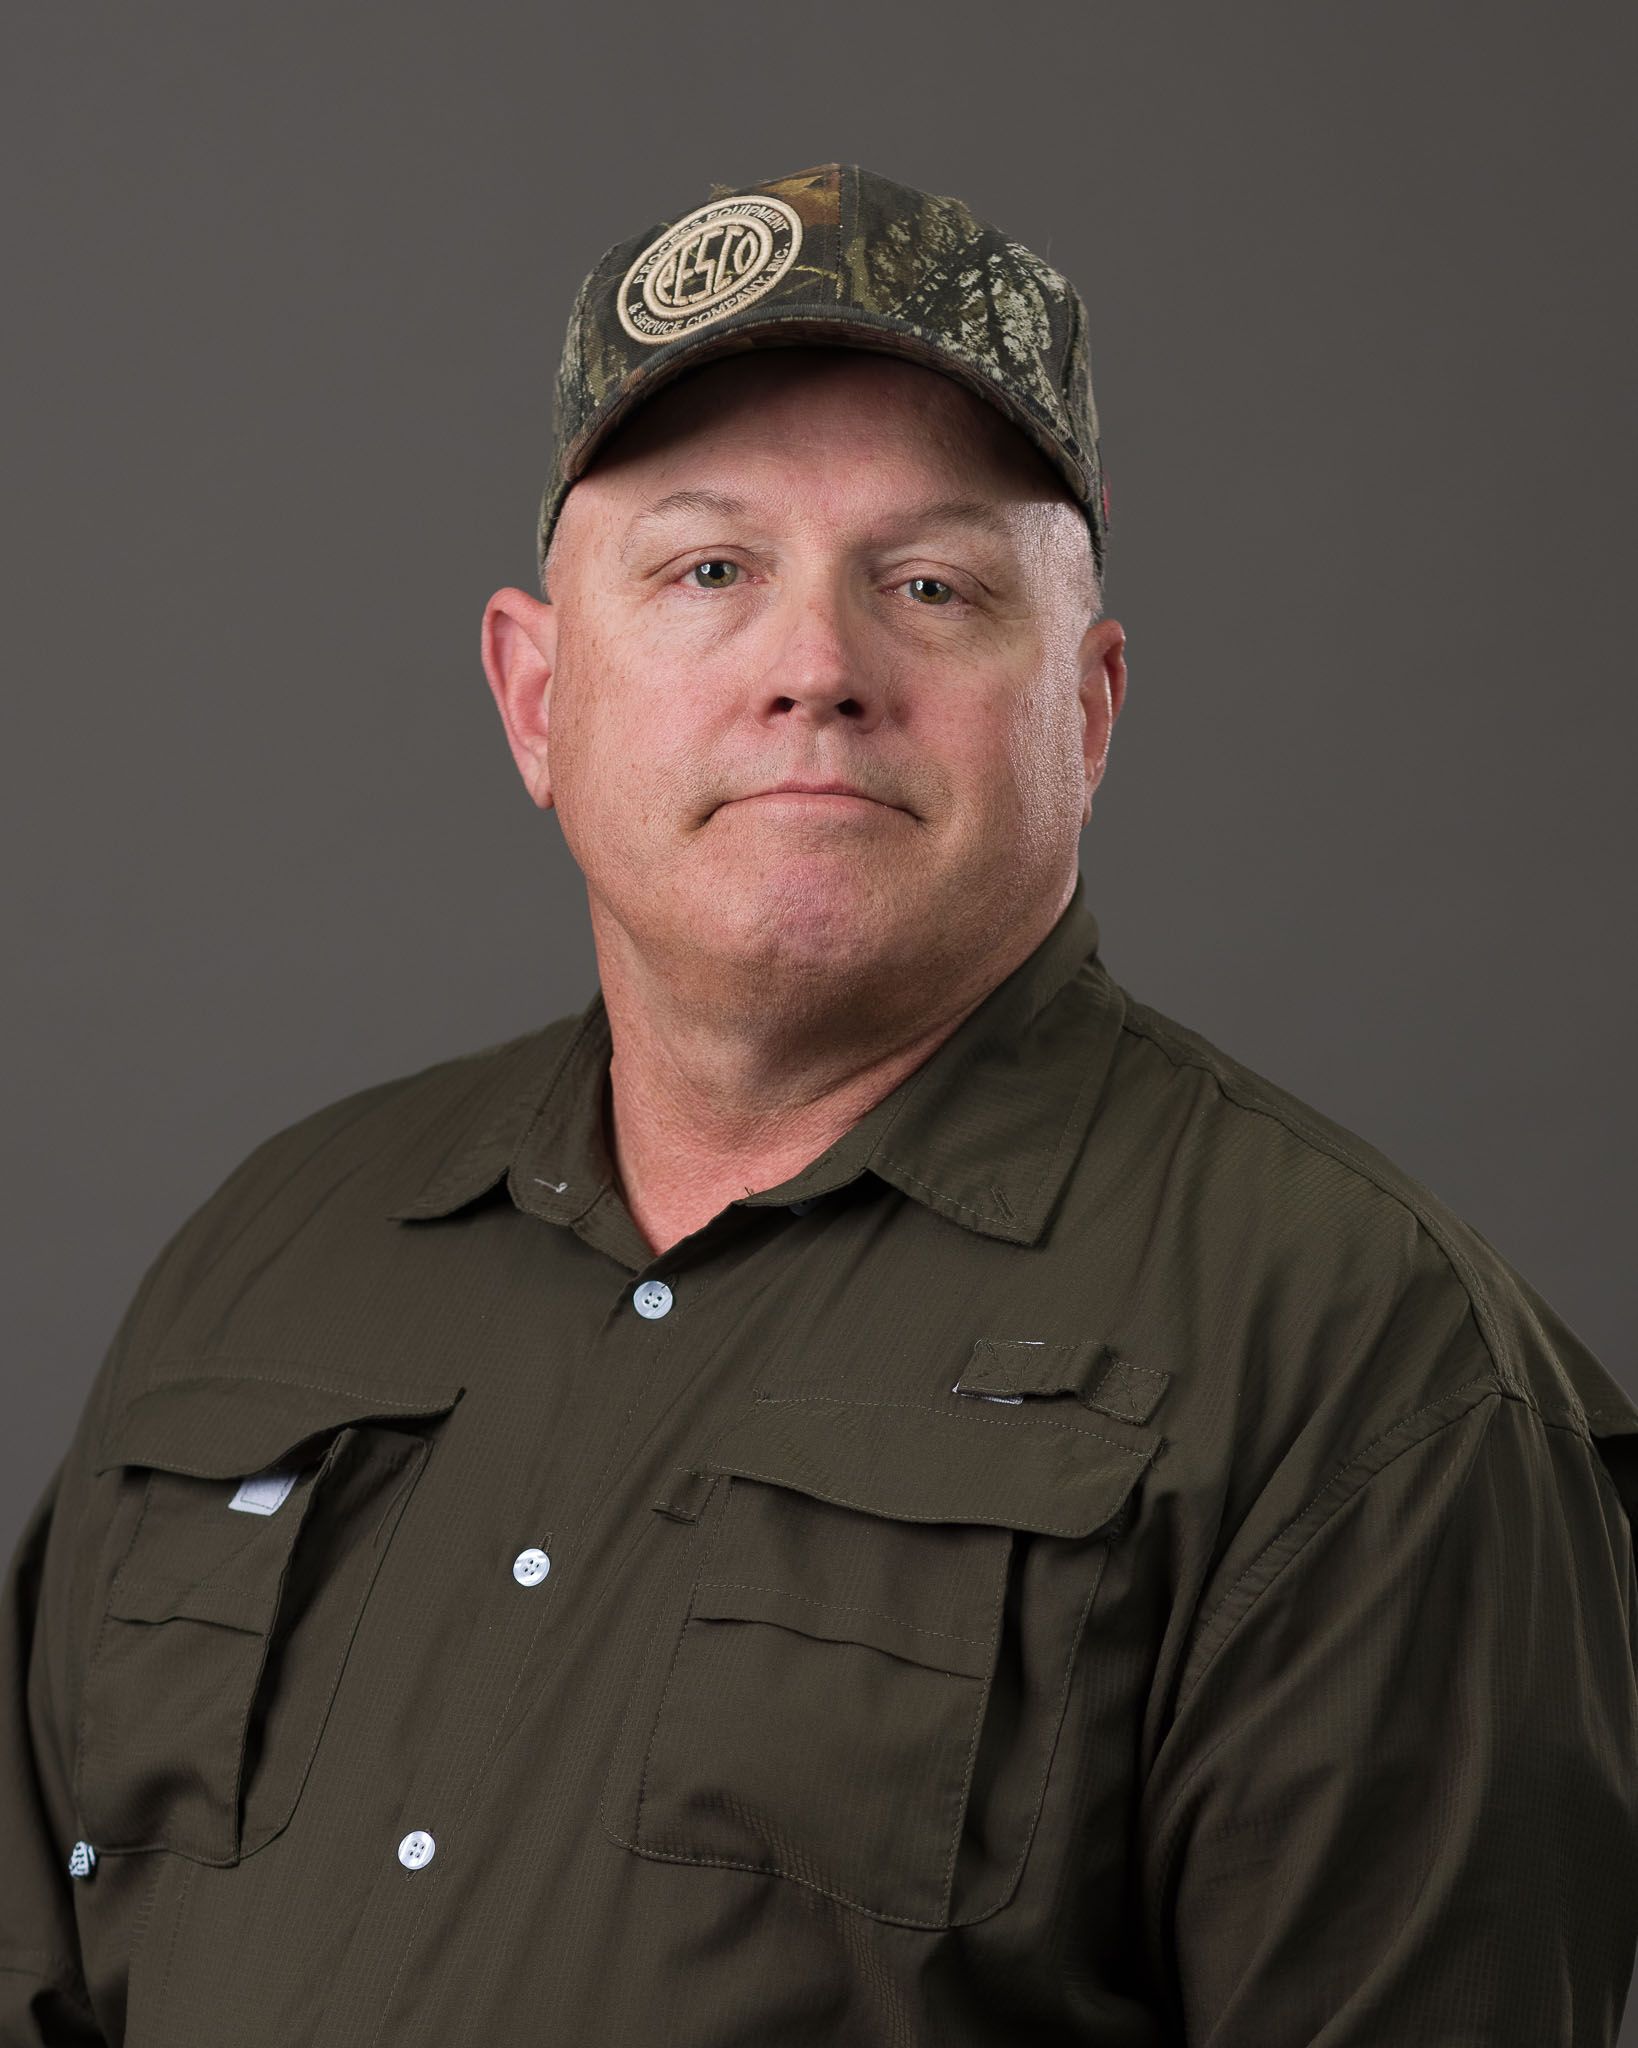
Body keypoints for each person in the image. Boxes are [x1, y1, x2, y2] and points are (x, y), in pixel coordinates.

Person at [1, 161, 1634, 2048]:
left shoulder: (1367, 1366)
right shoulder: (271, 1260)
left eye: (930, 586)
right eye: (709, 571)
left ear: (1087, 713)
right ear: (537, 697)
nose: (815, 671)